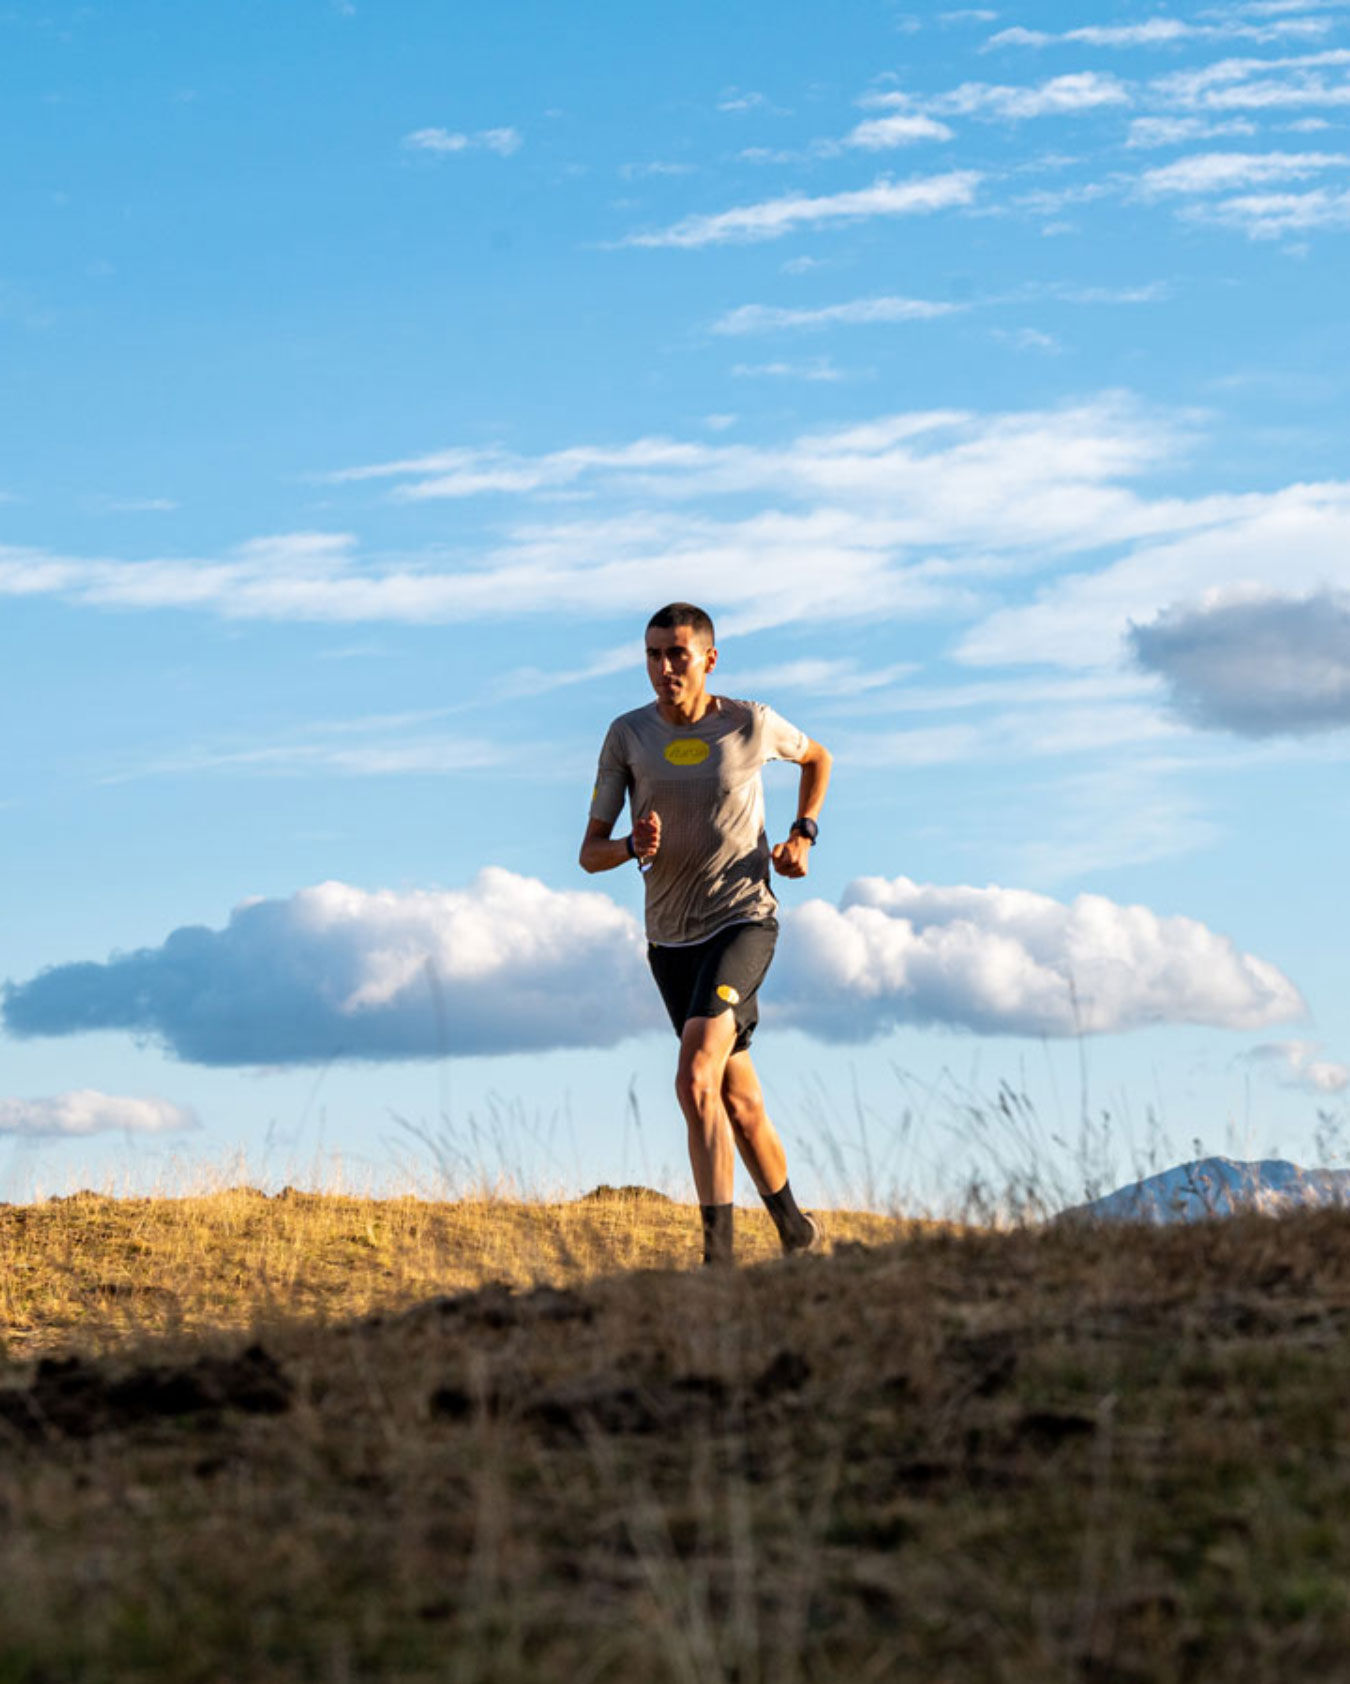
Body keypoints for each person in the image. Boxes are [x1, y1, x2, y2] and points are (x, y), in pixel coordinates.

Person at [579, 602, 833, 1266]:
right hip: (670, 940)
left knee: (695, 1075)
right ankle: (797, 1233)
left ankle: (718, 1262)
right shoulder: (627, 737)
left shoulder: (750, 722)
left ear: (708, 660)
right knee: (737, 1098)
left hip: (744, 918)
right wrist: (632, 843)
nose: (664, 668)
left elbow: (818, 759)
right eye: (653, 655)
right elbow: (590, 852)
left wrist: (803, 833)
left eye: (678, 655)